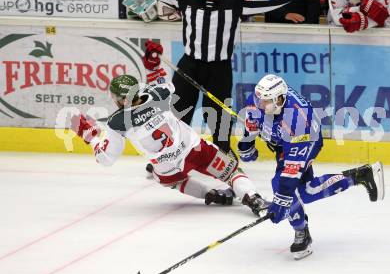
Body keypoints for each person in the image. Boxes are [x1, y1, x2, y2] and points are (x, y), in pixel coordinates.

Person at [108, 0, 319, 153]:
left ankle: (223, 152)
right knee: (178, 111)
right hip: (189, 65)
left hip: (219, 69)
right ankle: (170, 152)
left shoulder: (234, 1)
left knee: (219, 115)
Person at [70, 75, 270, 216]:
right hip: (194, 150)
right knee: (232, 171)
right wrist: (153, 69)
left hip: (167, 169)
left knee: (163, 177)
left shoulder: (117, 122)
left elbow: (106, 159)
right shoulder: (158, 94)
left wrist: (91, 138)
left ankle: (212, 195)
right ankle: (254, 199)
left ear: (120, 100)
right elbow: (170, 85)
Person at [237, 74, 385, 259]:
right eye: (259, 99)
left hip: (305, 142)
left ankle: (302, 232)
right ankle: (361, 175)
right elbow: (252, 121)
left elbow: (289, 175)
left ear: (279, 99)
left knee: (286, 189)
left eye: (265, 101)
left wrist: (281, 203)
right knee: (307, 190)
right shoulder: (259, 98)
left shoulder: (299, 121)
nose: (259, 104)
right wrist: (247, 144)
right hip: (284, 141)